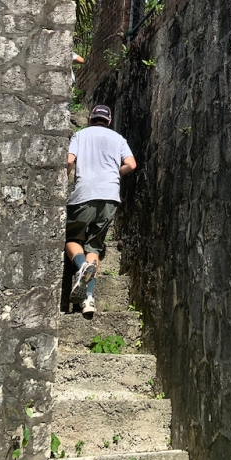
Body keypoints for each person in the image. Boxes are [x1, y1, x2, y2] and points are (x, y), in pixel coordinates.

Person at [64, 104, 136, 315]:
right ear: (109, 120)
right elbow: (131, 165)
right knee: (94, 247)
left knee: (72, 239)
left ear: (90, 117)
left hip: (84, 194)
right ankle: (88, 299)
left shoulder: (80, 135)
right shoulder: (118, 139)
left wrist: (64, 176)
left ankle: (80, 266)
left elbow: (69, 160)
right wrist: (114, 173)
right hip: (110, 196)